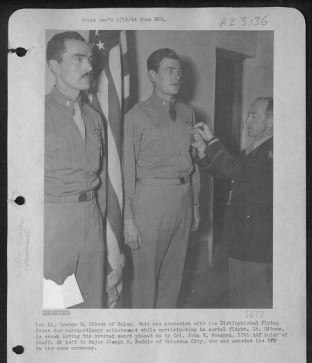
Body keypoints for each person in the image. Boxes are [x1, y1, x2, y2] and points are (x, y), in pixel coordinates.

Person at [123, 48, 200, 308]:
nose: (177, 76)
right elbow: (128, 170)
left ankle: (164, 337)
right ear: (153, 75)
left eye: (179, 71)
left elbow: (194, 161)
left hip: (183, 199)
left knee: (173, 277)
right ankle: (143, 339)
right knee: (145, 279)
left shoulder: (188, 113)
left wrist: (196, 204)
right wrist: (129, 218)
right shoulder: (136, 116)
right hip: (150, 202)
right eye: (169, 70)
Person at [44, 32, 106, 308]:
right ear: (54, 66)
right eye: (78, 59)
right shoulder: (36, 113)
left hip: (91, 218)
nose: (90, 67)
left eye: (90, 60)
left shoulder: (94, 118)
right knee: (56, 308)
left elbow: (100, 179)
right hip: (54, 221)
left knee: (91, 304)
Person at [192, 97, 273, 308]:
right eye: (248, 115)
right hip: (242, 236)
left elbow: (236, 170)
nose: (248, 121)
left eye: (255, 115)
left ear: (271, 121)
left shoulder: (269, 152)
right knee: (240, 296)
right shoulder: (256, 148)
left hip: (255, 241)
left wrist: (212, 142)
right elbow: (229, 174)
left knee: (253, 300)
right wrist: (203, 153)